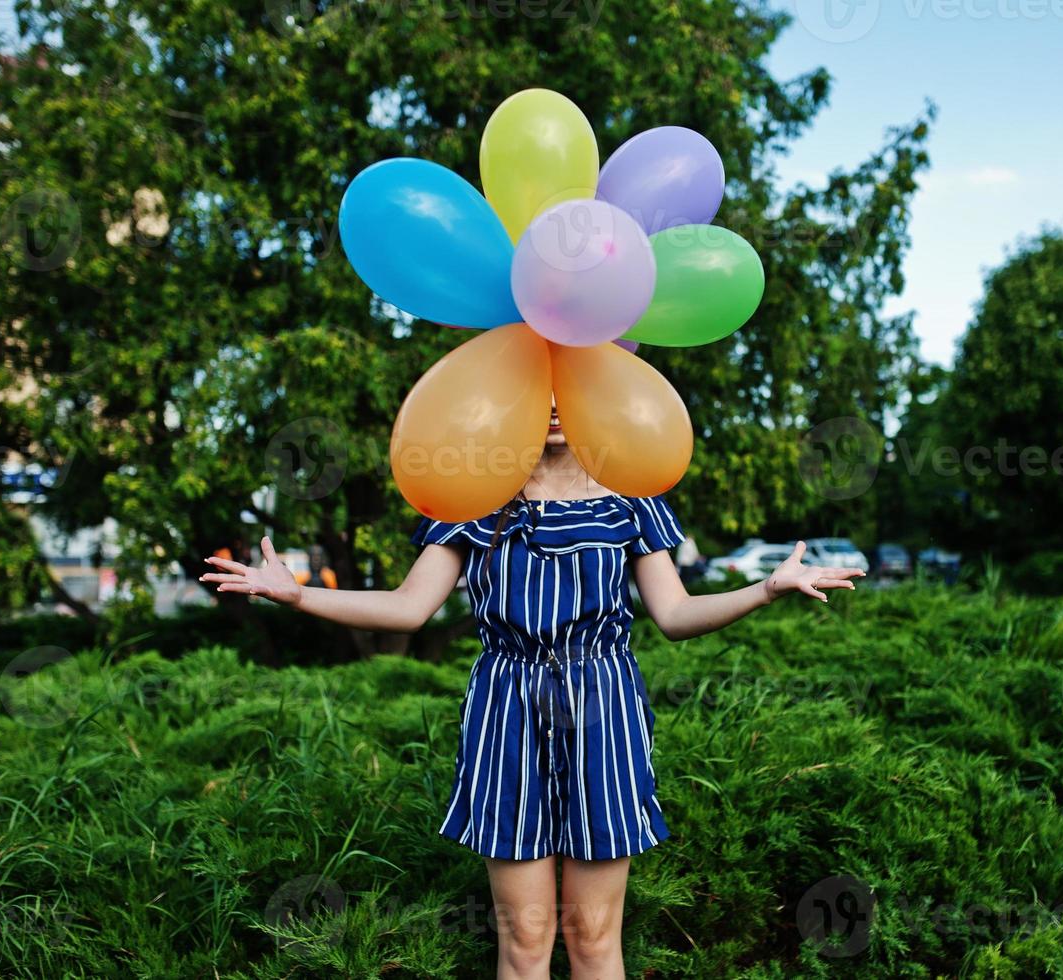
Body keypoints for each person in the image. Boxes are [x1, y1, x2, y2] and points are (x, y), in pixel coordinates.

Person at [199, 398, 863, 980]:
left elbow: (676, 616)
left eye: (563, 383)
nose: (549, 402)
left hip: (603, 709)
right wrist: (297, 596)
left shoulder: (631, 495)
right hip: (505, 710)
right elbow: (407, 608)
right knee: (523, 938)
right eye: (532, 382)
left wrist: (766, 589)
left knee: (595, 935)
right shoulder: (473, 497)